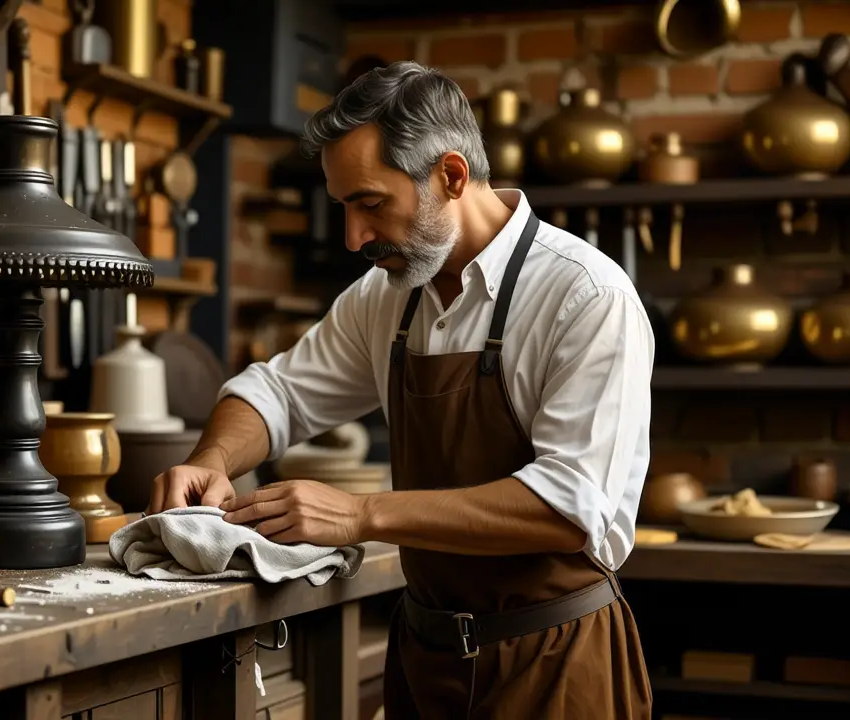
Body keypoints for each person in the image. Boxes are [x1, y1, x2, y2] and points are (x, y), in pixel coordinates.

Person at [150, 60, 654, 719]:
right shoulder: (386, 298)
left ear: (451, 176)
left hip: (555, 666)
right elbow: (277, 393)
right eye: (344, 208)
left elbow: (569, 507)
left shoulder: (584, 297)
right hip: (427, 662)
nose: (354, 236)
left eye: (370, 204)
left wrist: (361, 515)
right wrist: (211, 460)